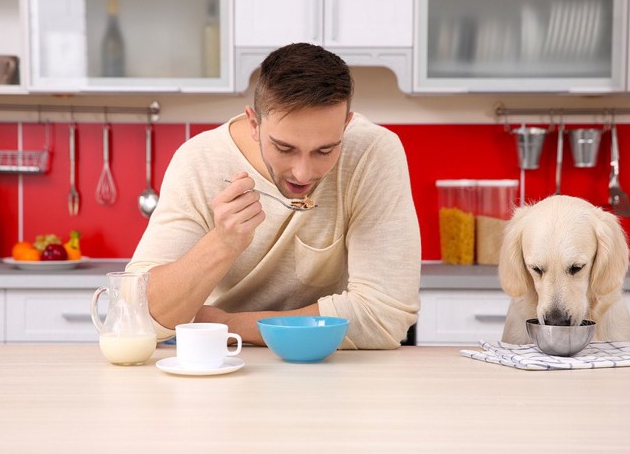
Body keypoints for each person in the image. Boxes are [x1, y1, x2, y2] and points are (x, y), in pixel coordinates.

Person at [126, 43, 421, 349]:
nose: (303, 174)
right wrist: (223, 243)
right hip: (218, 361)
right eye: (284, 148)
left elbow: (384, 315)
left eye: (325, 150)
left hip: (324, 363)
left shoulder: (372, 153)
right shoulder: (199, 161)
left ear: (346, 126)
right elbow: (137, 313)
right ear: (254, 123)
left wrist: (227, 324)